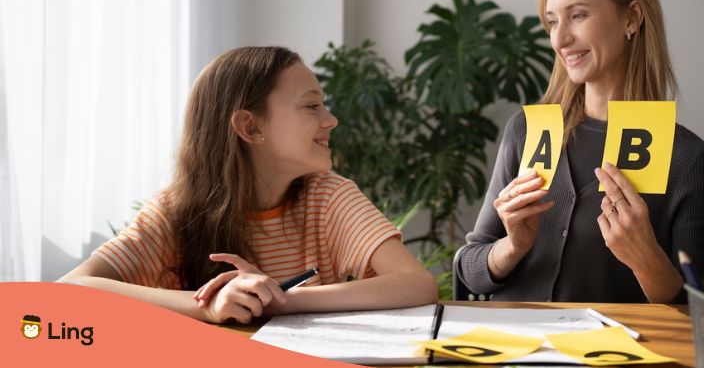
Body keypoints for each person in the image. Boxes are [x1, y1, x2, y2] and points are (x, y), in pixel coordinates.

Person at [62, 46, 438, 323]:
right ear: (250, 127)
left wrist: (282, 300)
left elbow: (417, 284)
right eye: (312, 106)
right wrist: (208, 304)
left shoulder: (329, 196)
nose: (331, 120)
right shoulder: (176, 211)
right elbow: (72, 289)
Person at [455, 0, 704, 304]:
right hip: (512, 353)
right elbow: (469, 270)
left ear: (631, 18)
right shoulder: (528, 130)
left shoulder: (688, 160)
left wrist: (646, 261)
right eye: (552, 21)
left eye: (577, 15)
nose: (559, 38)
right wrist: (511, 247)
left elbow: (702, 317)